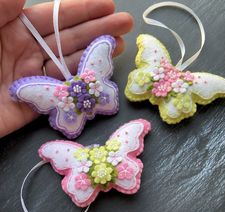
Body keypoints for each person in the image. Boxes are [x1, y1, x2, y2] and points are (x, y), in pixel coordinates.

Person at [0, 0, 133, 137]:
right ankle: (105, 104)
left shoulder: (66, 88)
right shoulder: (87, 75)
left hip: (75, 114)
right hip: (90, 104)